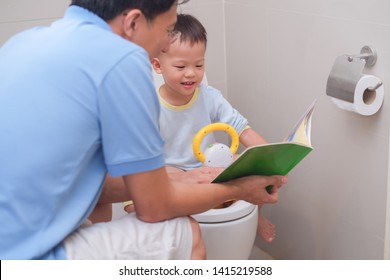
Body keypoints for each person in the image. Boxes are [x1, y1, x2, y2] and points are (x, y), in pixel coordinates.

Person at [0, 0, 287, 260]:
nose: (165, 41)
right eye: (168, 29)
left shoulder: (23, 43)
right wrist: (239, 188)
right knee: (186, 233)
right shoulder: (122, 61)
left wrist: (177, 178)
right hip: (26, 257)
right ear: (133, 22)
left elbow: (81, 180)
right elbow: (154, 207)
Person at [124, 14, 277, 243]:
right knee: (149, 191)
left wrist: (271, 157)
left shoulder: (209, 97)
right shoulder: (150, 107)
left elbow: (242, 129)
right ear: (157, 65)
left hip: (210, 166)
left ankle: (257, 218)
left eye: (199, 65)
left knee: (248, 168)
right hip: (172, 171)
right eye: (180, 66)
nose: (191, 73)